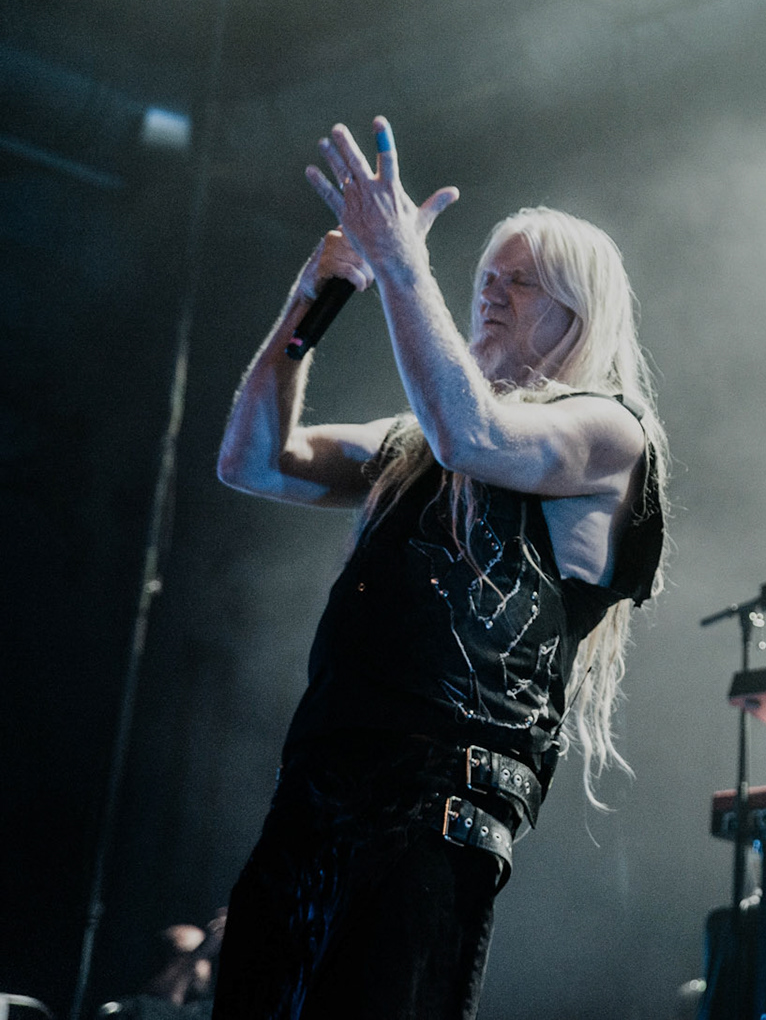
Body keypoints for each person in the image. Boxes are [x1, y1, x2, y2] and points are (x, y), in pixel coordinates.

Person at [211, 118, 667, 1020]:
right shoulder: (410, 442)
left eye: (520, 280)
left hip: (436, 810)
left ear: (576, 309)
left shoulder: (609, 431)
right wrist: (311, 299)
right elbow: (253, 460)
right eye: (485, 277)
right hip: (316, 791)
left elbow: (476, 436)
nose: (490, 292)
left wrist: (398, 264)